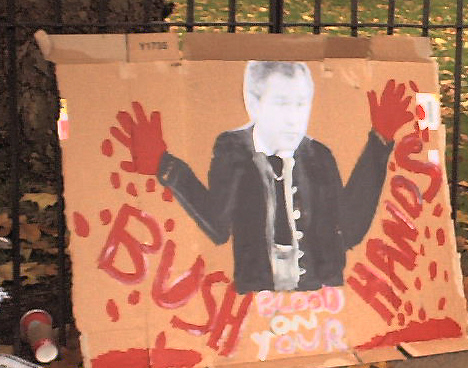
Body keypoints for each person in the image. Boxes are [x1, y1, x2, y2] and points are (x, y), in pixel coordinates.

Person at [111, 63, 414, 293]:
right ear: (254, 104)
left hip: (320, 295)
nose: (293, 118)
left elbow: (350, 229)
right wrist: (168, 168)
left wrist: (379, 143)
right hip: (259, 296)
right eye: (282, 104)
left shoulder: (318, 154)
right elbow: (217, 226)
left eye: (301, 104)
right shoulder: (233, 149)